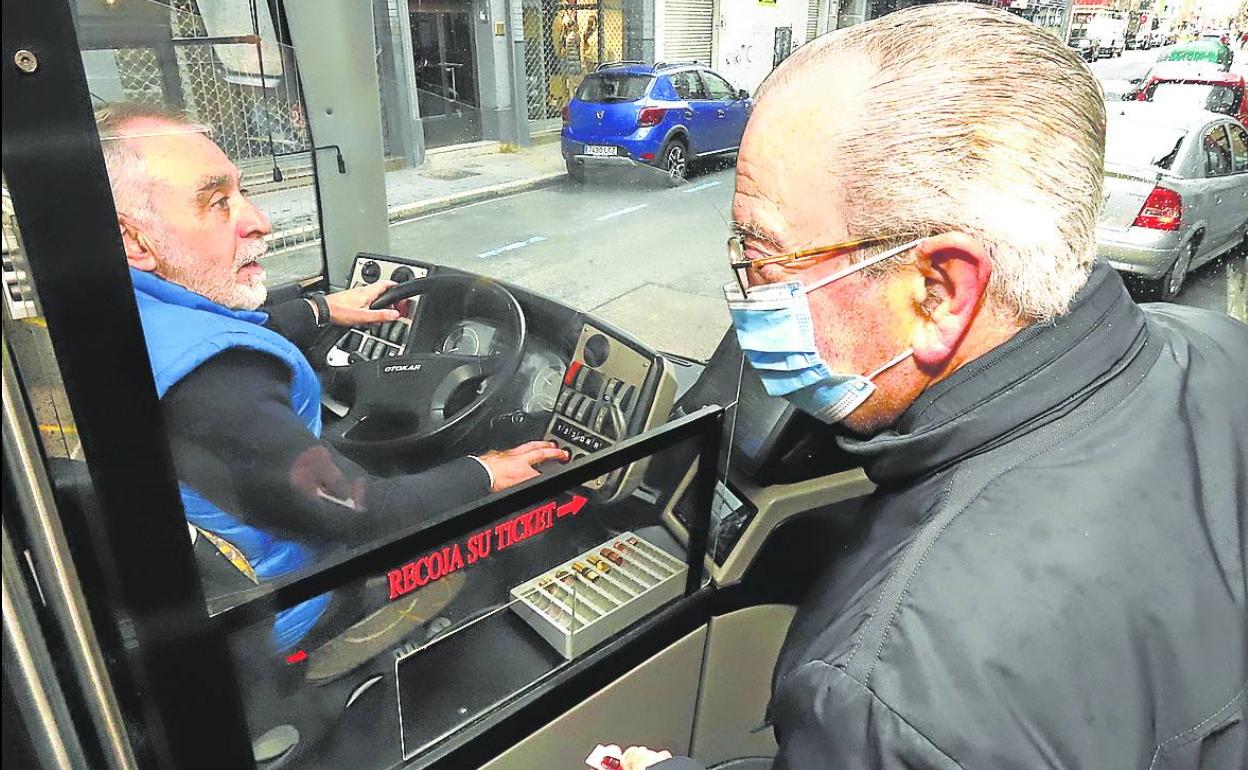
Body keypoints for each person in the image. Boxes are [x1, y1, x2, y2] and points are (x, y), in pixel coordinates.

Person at [622, 5, 1247, 768]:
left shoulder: (888, 697)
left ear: (939, 294)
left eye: (761, 255)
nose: (746, 289)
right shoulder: (1220, 349)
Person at [96, 103, 568, 673]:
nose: (259, 221)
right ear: (134, 241)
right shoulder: (218, 387)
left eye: (243, 192)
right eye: (218, 202)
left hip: (201, 581)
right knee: (506, 538)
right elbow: (360, 510)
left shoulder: (128, 313)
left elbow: (224, 326)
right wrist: (487, 470)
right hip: (293, 607)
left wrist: (324, 310)